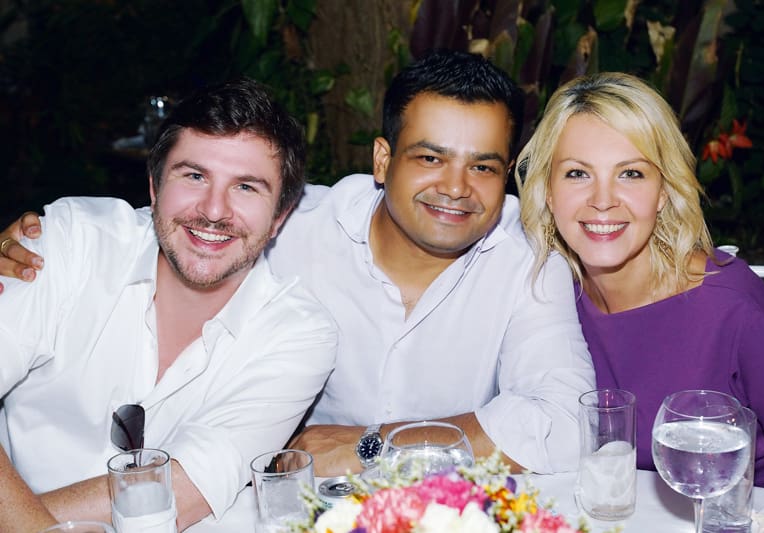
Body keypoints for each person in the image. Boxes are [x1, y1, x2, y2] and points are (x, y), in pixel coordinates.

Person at [1, 50, 595, 477]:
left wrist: (373, 445)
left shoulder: (528, 256)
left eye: (483, 166)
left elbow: (569, 423)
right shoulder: (295, 225)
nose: (456, 188)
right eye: (430, 157)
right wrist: (42, 237)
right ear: (383, 159)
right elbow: (190, 220)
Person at [0, 78, 337, 531]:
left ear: (280, 216)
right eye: (194, 176)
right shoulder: (68, 242)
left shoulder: (297, 334)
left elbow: (176, 496)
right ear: (155, 188)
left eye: (246, 187)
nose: (214, 211)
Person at [516, 71, 764, 491]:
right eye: (577, 173)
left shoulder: (732, 308)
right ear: (548, 192)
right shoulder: (548, 297)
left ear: (664, 191)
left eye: (630, 173)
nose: (603, 200)